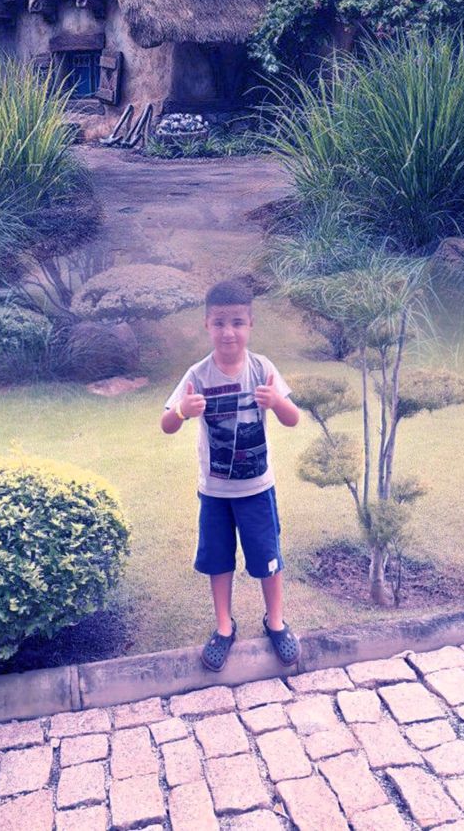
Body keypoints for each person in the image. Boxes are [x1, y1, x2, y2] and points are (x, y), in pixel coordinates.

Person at [161, 278, 300, 671]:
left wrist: (276, 402)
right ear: (207, 324)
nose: (228, 332)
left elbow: (293, 418)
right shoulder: (198, 374)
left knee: (268, 558)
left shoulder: (262, 368)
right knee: (218, 560)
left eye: (237, 322)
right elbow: (166, 424)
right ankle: (224, 627)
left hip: (257, 489)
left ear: (250, 324)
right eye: (220, 323)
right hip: (215, 492)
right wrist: (183, 411)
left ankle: (276, 622)